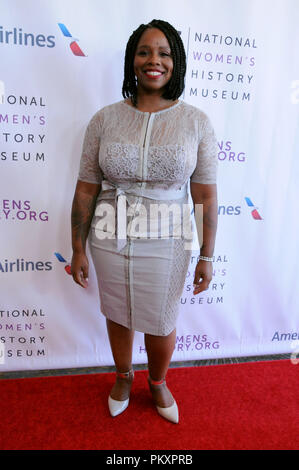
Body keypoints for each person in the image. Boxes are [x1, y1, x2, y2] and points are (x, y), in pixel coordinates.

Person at [70, 19, 218, 424]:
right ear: (132, 61)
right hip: (108, 233)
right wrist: (78, 247)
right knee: (118, 312)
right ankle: (122, 376)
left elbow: (203, 195)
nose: (154, 60)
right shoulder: (104, 120)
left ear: (177, 62)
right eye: (144, 52)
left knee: (161, 317)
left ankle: (156, 382)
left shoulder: (196, 123)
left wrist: (207, 255)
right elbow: (86, 189)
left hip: (168, 236)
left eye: (164, 53)